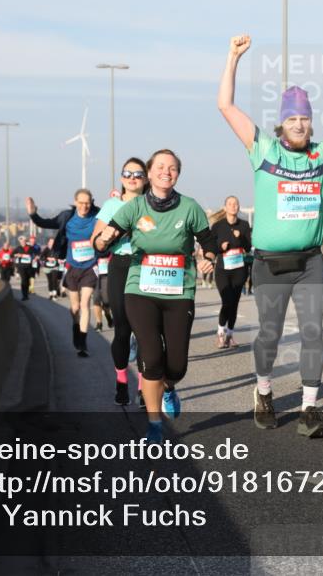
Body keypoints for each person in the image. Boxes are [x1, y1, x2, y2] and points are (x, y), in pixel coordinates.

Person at [218, 34, 323, 437]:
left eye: (305, 118)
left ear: (311, 122)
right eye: (292, 119)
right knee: (268, 335)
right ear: (282, 122)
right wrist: (233, 58)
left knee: (312, 333)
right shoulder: (264, 150)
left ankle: (309, 409)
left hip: (309, 263)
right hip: (269, 263)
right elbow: (226, 106)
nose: (300, 124)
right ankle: (264, 391)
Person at [94, 149, 216, 443]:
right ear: (149, 173)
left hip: (178, 292)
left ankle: (170, 387)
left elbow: (208, 240)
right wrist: (105, 238)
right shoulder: (134, 208)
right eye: (160, 166)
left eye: (172, 167)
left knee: (176, 366)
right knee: (151, 357)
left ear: (178, 174)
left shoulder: (189, 207)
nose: (166, 171)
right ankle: (154, 424)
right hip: (141, 290)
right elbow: (101, 242)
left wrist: (208, 257)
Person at [92, 157, 149, 406]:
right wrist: (105, 238)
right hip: (121, 266)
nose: (132, 177)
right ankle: (122, 380)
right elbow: (96, 241)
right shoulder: (111, 204)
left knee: (148, 331)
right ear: (121, 178)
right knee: (123, 328)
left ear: (146, 178)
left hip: (148, 266)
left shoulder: (152, 204)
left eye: (138, 173)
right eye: (128, 173)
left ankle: (145, 388)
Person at [27, 190, 101, 356]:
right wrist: (33, 214)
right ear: (75, 202)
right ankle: (76, 328)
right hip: (72, 266)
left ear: (92, 202)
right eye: (81, 203)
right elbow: (45, 223)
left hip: (90, 266)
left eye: (87, 203)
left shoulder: (98, 215)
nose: (84, 206)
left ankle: (82, 341)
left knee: (85, 303)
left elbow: (116, 222)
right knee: (74, 307)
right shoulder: (67, 217)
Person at [209, 196, 252, 348]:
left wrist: (240, 239)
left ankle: (230, 335)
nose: (233, 206)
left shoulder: (245, 225)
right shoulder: (218, 226)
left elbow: (248, 247)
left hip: (239, 269)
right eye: (230, 204)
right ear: (225, 207)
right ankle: (220, 332)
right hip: (222, 269)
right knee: (226, 301)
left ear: (238, 207)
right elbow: (211, 247)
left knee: (234, 303)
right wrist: (222, 246)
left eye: (236, 204)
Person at [14, 236, 38, 301]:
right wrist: (16, 255)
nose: (22, 242)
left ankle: (26, 294)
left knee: (27, 281)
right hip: (21, 267)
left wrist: (35, 258)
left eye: (24, 241)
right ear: (20, 242)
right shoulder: (18, 248)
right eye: (21, 241)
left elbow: (37, 253)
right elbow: (12, 254)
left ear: (26, 241)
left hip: (29, 266)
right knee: (23, 280)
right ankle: (24, 295)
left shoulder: (30, 247)